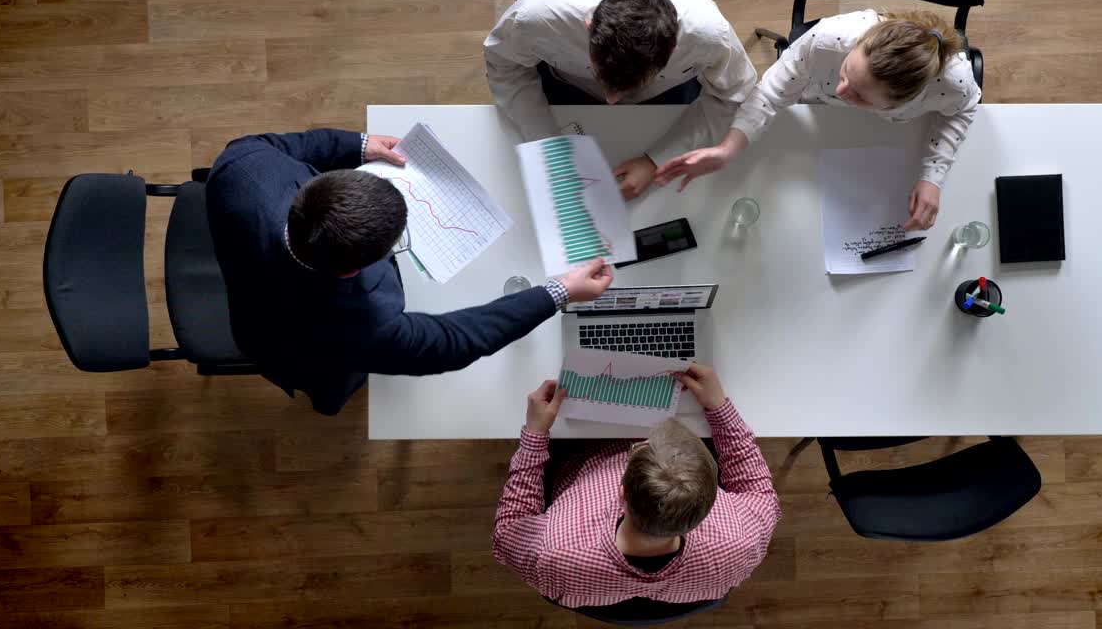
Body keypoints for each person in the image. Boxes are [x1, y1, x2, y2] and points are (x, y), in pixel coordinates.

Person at [205, 128, 614, 416]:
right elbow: (454, 341)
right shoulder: (363, 326)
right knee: (330, 384)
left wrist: (357, 145)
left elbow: (273, 145)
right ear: (351, 272)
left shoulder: (243, 170)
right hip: (291, 348)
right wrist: (558, 292)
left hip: (249, 286)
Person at [655, 9, 982, 230]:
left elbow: (964, 110)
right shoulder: (829, 40)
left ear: (904, 101)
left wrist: (933, 177)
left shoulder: (954, 84)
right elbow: (770, 93)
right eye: (846, 72)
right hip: (813, 113)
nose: (841, 90)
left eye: (860, 96)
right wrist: (728, 149)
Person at [492, 364, 780, 609]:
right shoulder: (742, 543)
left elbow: (509, 529)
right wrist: (719, 407)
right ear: (710, 505)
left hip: (583, 453)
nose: (641, 439)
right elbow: (757, 489)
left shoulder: (552, 553)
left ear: (621, 493)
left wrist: (535, 433)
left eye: (640, 448)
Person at [483, 0, 757, 200]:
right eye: (601, 76)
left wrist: (657, 160)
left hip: (663, 100)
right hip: (566, 84)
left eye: (628, 87)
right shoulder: (536, 19)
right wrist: (547, 143)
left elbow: (732, 95)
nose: (611, 100)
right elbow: (504, 65)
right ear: (589, 26)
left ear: (674, 48)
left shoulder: (709, 37)